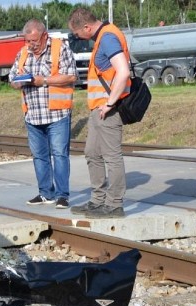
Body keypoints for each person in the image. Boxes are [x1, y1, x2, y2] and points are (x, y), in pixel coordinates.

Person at [68, 7, 132, 219]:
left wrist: (110, 103)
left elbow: (123, 71)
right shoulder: (103, 37)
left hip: (108, 109)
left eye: (78, 33)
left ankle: (114, 204)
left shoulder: (108, 38)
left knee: (112, 156)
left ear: (87, 27)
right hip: (98, 109)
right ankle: (97, 201)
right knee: (92, 153)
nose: (78, 37)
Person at [10, 19, 77, 209]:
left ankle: (62, 195)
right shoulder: (23, 52)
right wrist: (17, 82)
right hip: (32, 114)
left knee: (59, 154)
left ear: (44, 36)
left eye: (34, 41)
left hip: (57, 113)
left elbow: (71, 75)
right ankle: (45, 193)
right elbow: (12, 77)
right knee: (39, 156)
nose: (31, 45)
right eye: (28, 41)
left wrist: (43, 80)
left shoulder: (60, 49)